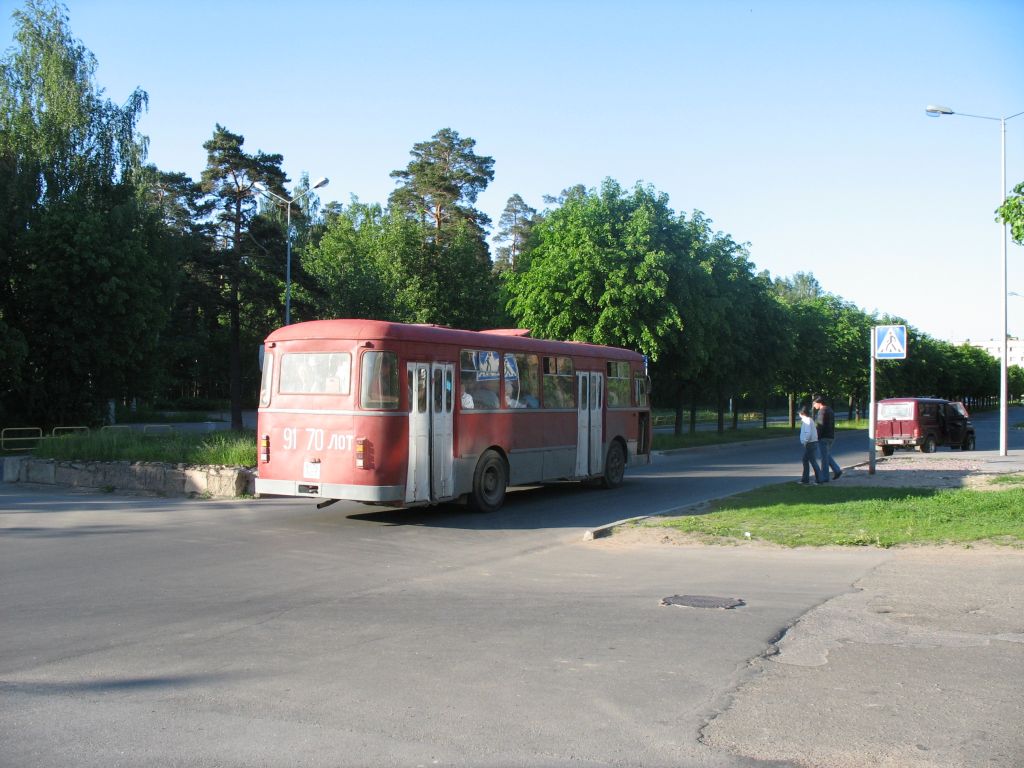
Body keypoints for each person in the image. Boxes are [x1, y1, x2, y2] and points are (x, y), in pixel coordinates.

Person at [812, 394, 843, 481]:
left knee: (824, 459)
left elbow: (820, 426)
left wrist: (816, 437)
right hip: (830, 436)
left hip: (824, 437)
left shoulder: (822, 411)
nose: (814, 406)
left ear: (819, 403)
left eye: (814, 403)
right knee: (826, 455)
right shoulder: (830, 410)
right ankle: (837, 470)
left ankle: (825, 477)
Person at [798, 405, 823, 485]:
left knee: (810, 460)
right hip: (811, 443)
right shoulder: (808, 420)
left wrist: (805, 441)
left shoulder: (807, 421)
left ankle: (818, 479)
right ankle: (806, 479)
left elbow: (808, 433)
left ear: (802, 413)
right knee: (807, 460)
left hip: (810, 443)